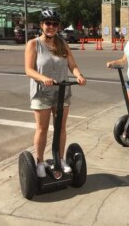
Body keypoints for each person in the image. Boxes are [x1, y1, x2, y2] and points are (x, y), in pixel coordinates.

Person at [25, 9, 87, 178]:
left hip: (62, 92)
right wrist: (43, 78)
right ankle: (39, 162)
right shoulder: (33, 44)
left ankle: (60, 159)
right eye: (48, 23)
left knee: (60, 129)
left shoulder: (62, 44)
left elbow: (72, 66)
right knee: (42, 129)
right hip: (42, 93)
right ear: (41, 25)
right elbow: (29, 70)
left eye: (54, 24)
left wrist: (79, 75)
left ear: (58, 26)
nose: (51, 27)